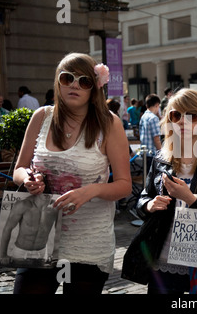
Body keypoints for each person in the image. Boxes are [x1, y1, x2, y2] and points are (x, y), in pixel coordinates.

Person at [12, 52, 132, 294]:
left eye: (84, 81)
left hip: (88, 243)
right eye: (68, 78)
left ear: (94, 87)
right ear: (58, 82)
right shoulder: (42, 117)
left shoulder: (109, 123)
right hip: (39, 236)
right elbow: (19, 168)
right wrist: (28, 179)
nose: (75, 85)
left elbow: (124, 185)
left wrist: (91, 191)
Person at [124, 88, 197, 294]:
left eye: (191, 116)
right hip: (163, 259)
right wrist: (149, 205)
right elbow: (142, 199)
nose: (182, 122)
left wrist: (190, 199)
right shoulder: (161, 158)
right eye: (176, 115)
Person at [0, 194, 58, 266]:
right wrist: (3, 255)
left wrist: (56, 254)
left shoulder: (56, 207)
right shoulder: (23, 204)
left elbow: (60, 232)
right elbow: (8, 228)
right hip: (21, 251)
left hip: (42, 252)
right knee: (20, 275)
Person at [139, 94, 162, 173]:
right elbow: (156, 139)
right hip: (152, 153)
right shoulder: (154, 118)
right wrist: (161, 153)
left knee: (146, 177)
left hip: (145, 152)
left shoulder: (143, 116)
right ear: (157, 105)